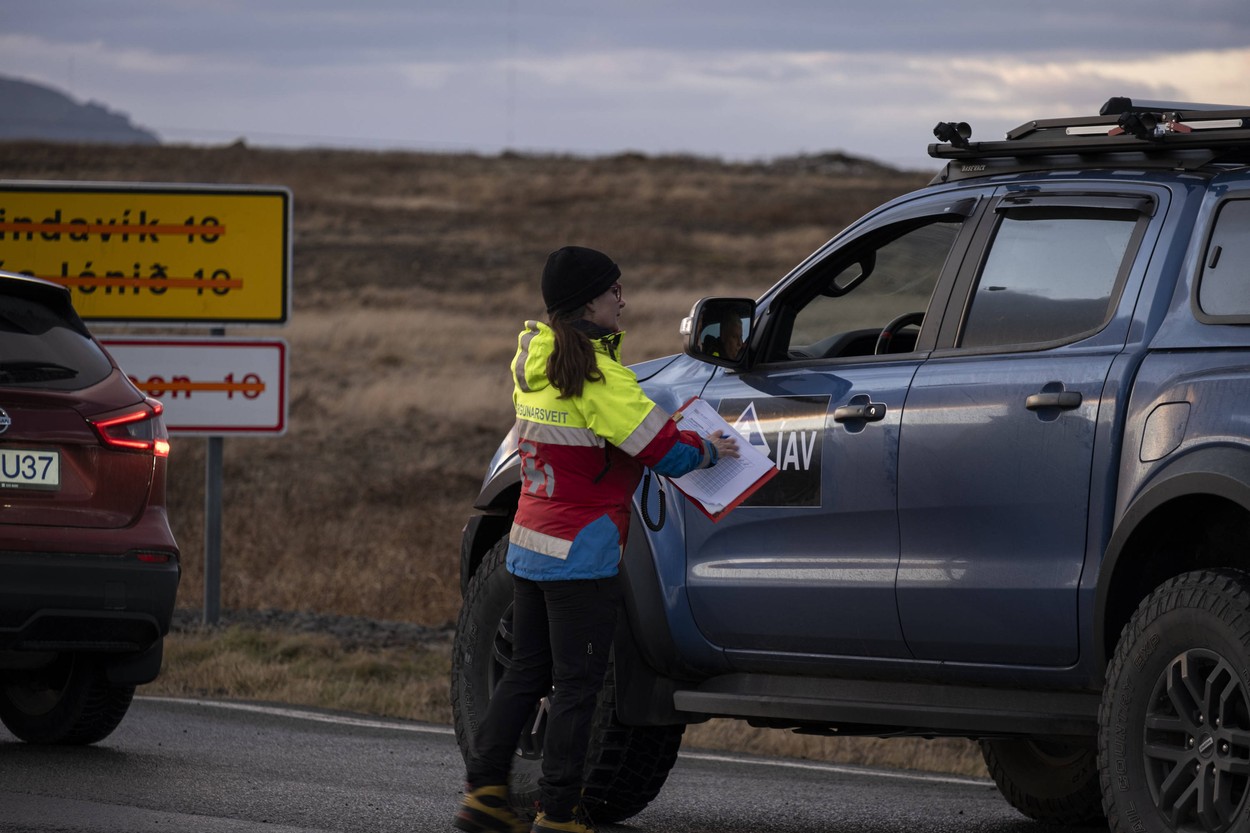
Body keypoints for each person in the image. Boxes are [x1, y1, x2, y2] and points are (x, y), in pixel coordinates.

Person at [454, 246, 739, 833]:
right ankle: (559, 813)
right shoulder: (599, 377)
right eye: (614, 290)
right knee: (578, 687)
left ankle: (483, 795)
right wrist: (711, 449)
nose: (622, 301)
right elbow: (663, 451)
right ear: (589, 301)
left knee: (525, 674)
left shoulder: (533, 362)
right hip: (581, 554)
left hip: (529, 543)